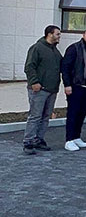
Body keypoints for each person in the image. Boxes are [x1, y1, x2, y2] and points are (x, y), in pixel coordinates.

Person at [23, 25, 63, 155]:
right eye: (57, 34)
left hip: (52, 89)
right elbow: (29, 66)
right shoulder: (37, 48)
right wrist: (34, 82)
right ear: (49, 34)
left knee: (45, 116)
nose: (59, 36)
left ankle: (38, 140)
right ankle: (28, 142)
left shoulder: (56, 52)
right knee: (35, 116)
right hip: (39, 89)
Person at [61, 28, 86, 151]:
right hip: (75, 87)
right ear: (83, 35)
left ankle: (77, 136)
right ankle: (69, 139)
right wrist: (67, 85)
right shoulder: (74, 48)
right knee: (73, 113)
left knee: (82, 113)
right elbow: (66, 68)